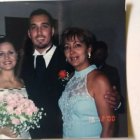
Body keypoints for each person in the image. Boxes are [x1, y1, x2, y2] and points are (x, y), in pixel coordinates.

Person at [20, 9, 120, 139]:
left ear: (52, 31)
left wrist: (116, 101)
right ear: (29, 33)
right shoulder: (21, 61)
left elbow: (102, 89)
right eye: (34, 27)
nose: (39, 32)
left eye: (44, 26)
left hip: (58, 133)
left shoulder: (70, 59)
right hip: (31, 134)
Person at [59, 27, 116, 138]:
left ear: (88, 49)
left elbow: (109, 125)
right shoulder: (71, 79)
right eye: (67, 47)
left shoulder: (98, 80)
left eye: (77, 45)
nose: (71, 51)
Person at [0, 37, 31, 139]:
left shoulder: (23, 82)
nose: (7, 57)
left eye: (11, 52)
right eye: (1, 54)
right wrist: (2, 130)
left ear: (17, 55)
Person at [93, 41, 124, 113]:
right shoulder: (87, 71)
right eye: (96, 54)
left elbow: (118, 97)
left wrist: (117, 103)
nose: (98, 57)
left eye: (100, 54)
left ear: (106, 55)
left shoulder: (111, 71)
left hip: (107, 112)